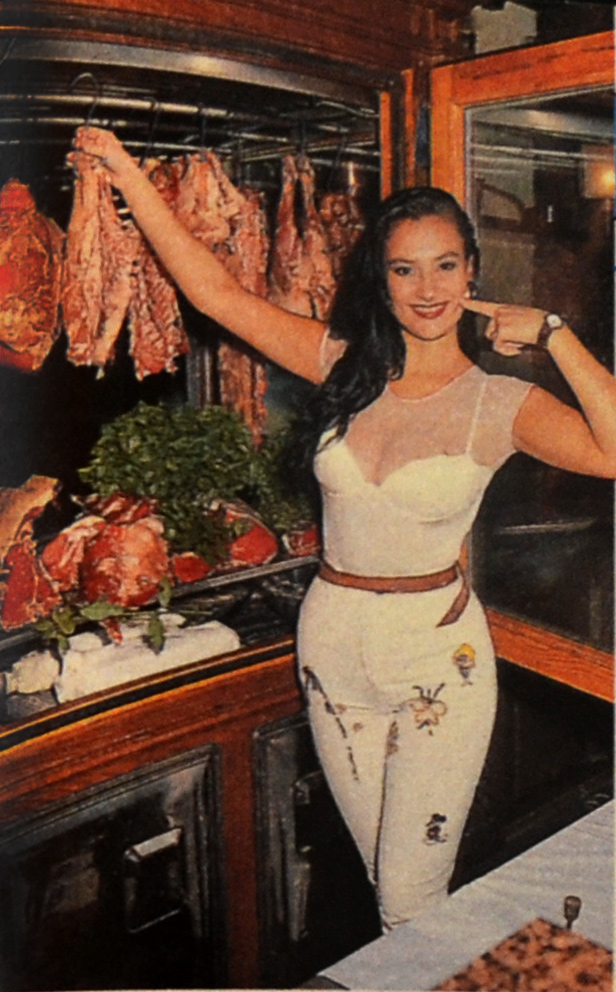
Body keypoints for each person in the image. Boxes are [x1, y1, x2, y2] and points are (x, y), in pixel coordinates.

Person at [72, 127, 616, 929]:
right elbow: (216, 295)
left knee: (409, 895)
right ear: (380, 279)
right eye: (404, 268)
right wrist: (123, 173)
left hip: (438, 660)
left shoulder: (499, 404)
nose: (426, 288)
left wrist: (553, 333)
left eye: (445, 265)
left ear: (472, 271)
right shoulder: (343, 365)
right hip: (331, 647)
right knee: (386, 887)